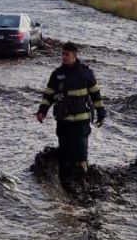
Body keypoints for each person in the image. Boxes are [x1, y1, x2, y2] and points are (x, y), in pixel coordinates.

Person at [36, 41, 106, 183]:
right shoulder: (57, 74)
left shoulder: (85, 73)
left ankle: (82, 181)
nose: (64, 57)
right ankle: (64, 182)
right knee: (65, 153)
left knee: (80, 153)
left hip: (81, 122)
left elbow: (96, 96)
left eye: (67, 54)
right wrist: (42, 111)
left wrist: (101, 114)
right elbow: (48, 95)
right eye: (62, 54)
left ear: (75, 56)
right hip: (63, 122)